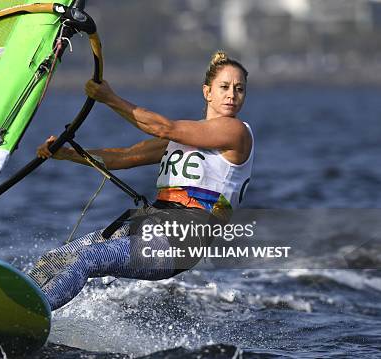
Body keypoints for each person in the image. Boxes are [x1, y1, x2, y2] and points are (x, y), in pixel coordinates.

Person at [29, 51, 254, 310]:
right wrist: (67, 155)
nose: (231, 95)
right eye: (224, 87)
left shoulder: (236, 132)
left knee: (86, 259)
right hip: (150, 224)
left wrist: (110, 99)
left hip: (181, 241)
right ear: (207, 92)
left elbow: (163, 127)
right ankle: (9, 304)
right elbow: (125, 157)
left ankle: (30, 315)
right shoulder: (184, 138)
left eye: (239, 90)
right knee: (55, 259)